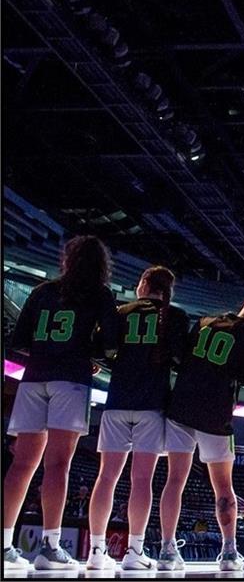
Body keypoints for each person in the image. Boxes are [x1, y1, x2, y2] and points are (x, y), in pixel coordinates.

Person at [4, 236, 118, 572]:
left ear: (67, 259)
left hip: (34, 378)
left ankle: (3, 544)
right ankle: (50, 546)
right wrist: (88, 353)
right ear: (101, 265)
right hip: (70, 381)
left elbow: (19, 340)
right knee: (57, 466)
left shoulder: (42, 291)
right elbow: (111, 342)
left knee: (21, 465)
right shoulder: (99, 293)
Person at [157, 294, 244, 572]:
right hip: (216, 413)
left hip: (182, 406)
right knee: (224, 487)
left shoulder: (205, 320)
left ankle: (166, 548)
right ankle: (229, 550)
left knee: (174, 480)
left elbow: (181, 356)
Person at [87, 266, 189, 571]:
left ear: (144, 284)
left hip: (117, 401)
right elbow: (181, 359)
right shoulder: (176, 316)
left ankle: (95, 550)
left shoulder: (122, 311)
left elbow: (101, 349)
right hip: (152, 405)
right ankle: (135, 551)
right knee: (141, 480)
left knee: (106, 478)